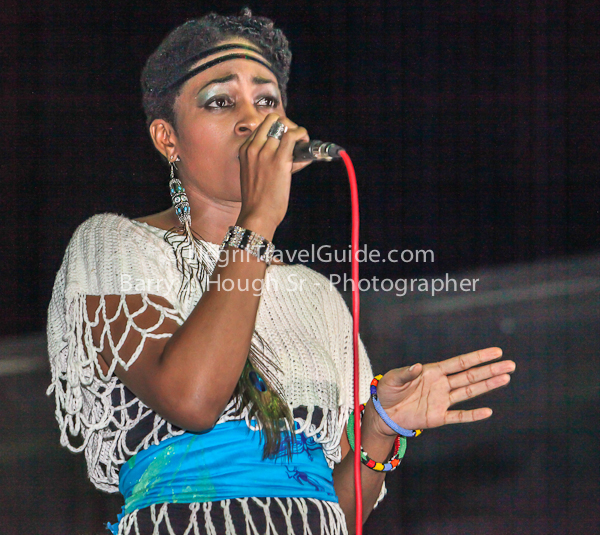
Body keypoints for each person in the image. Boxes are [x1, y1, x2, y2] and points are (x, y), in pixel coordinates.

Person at [47, 9, 516, 535]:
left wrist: (382, 429)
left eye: (267, 100)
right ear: (167, 138)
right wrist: (257, 222)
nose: (253, 120)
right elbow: (193, 400)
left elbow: (335, 514)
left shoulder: (315, 295)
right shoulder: (115, 246)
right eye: (221, 101)